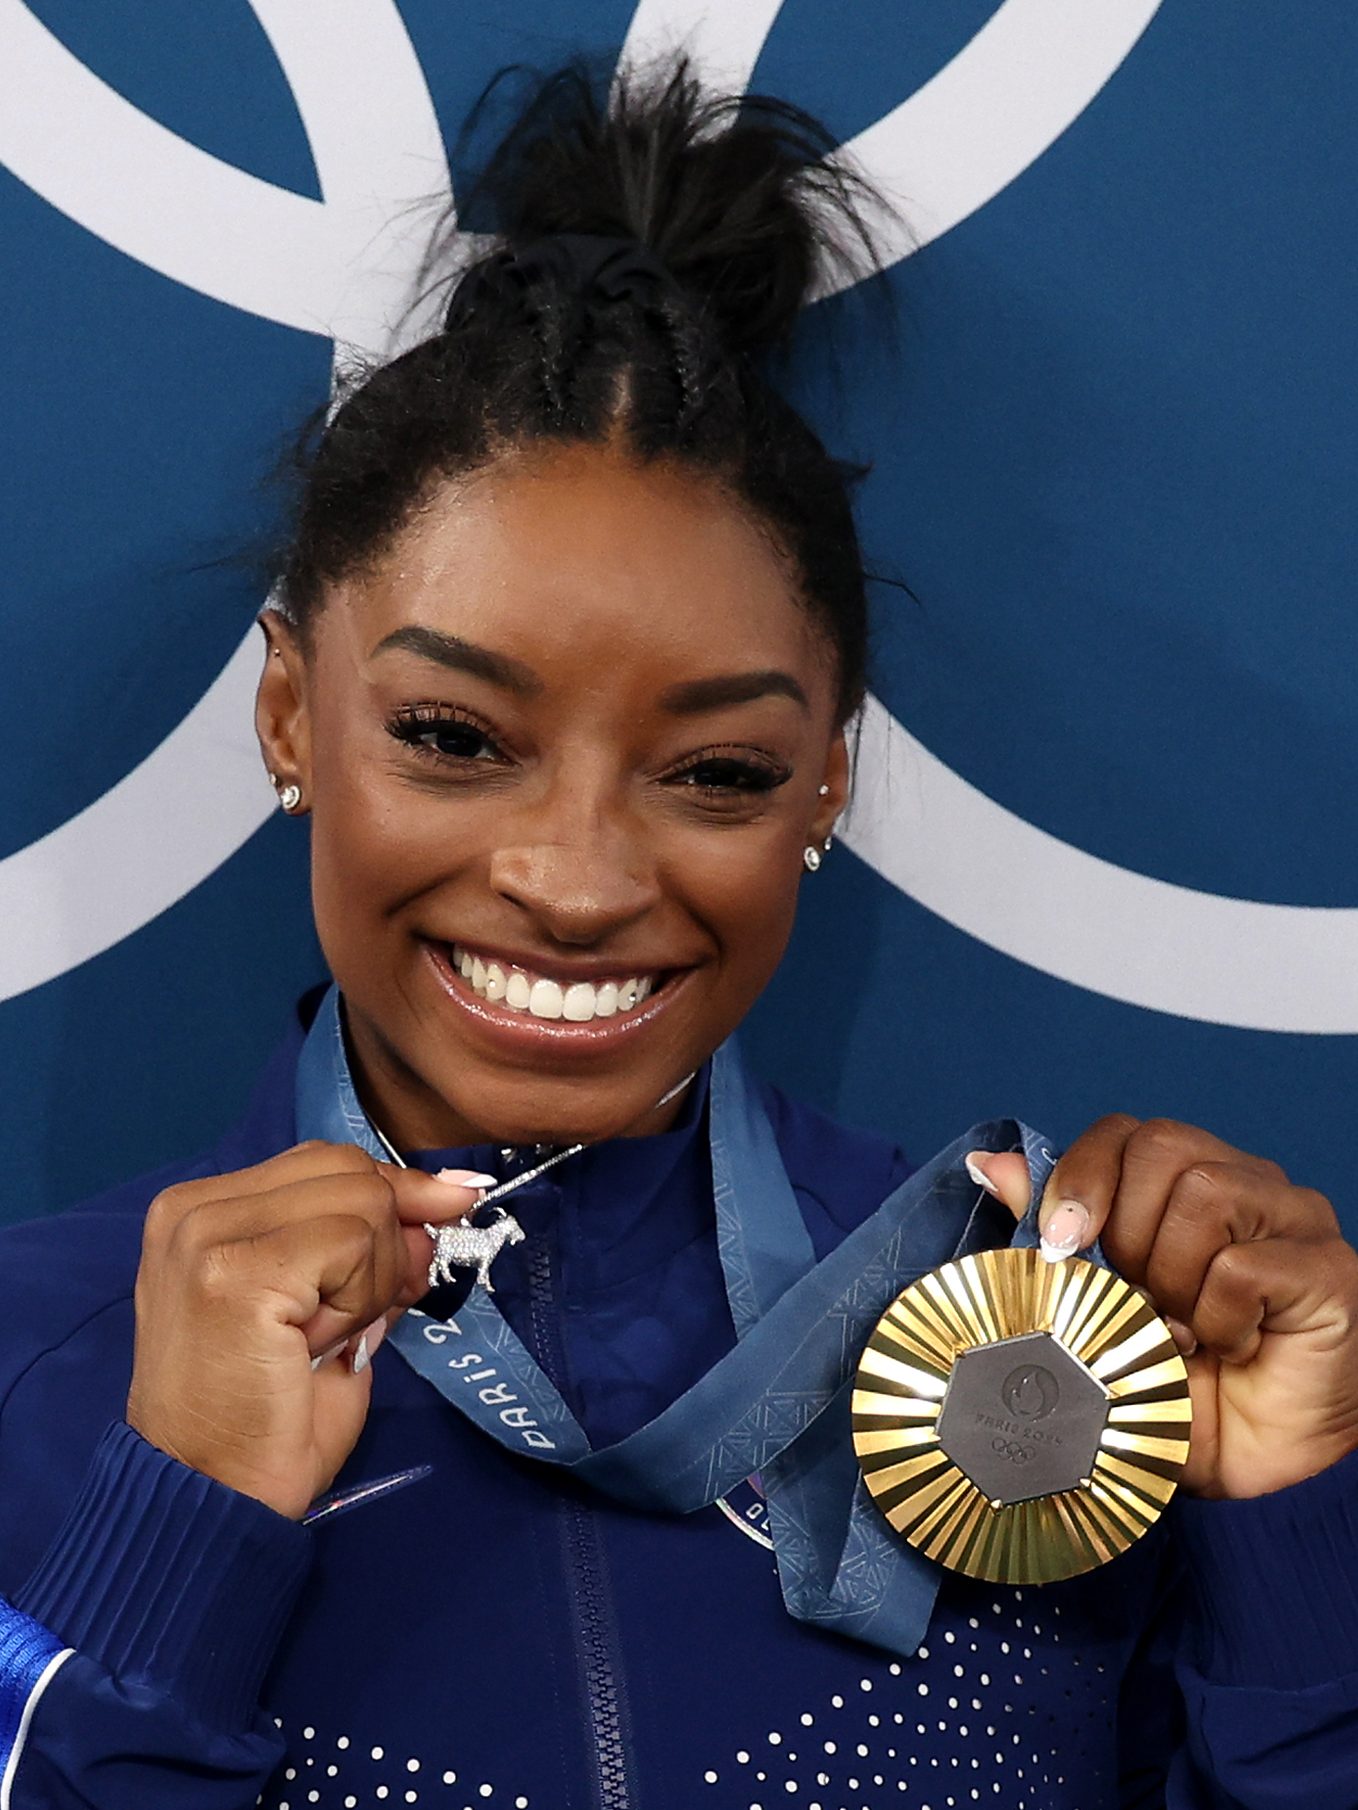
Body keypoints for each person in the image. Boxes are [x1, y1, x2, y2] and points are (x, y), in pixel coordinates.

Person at [1, 56, 1356, 1810]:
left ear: (826, 783)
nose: (574, 878)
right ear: (286, 711)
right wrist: (162, 1552)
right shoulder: (40, 1363)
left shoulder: (1065, 1361)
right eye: (454, 738)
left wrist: (1297, 1537)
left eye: (714, 768)